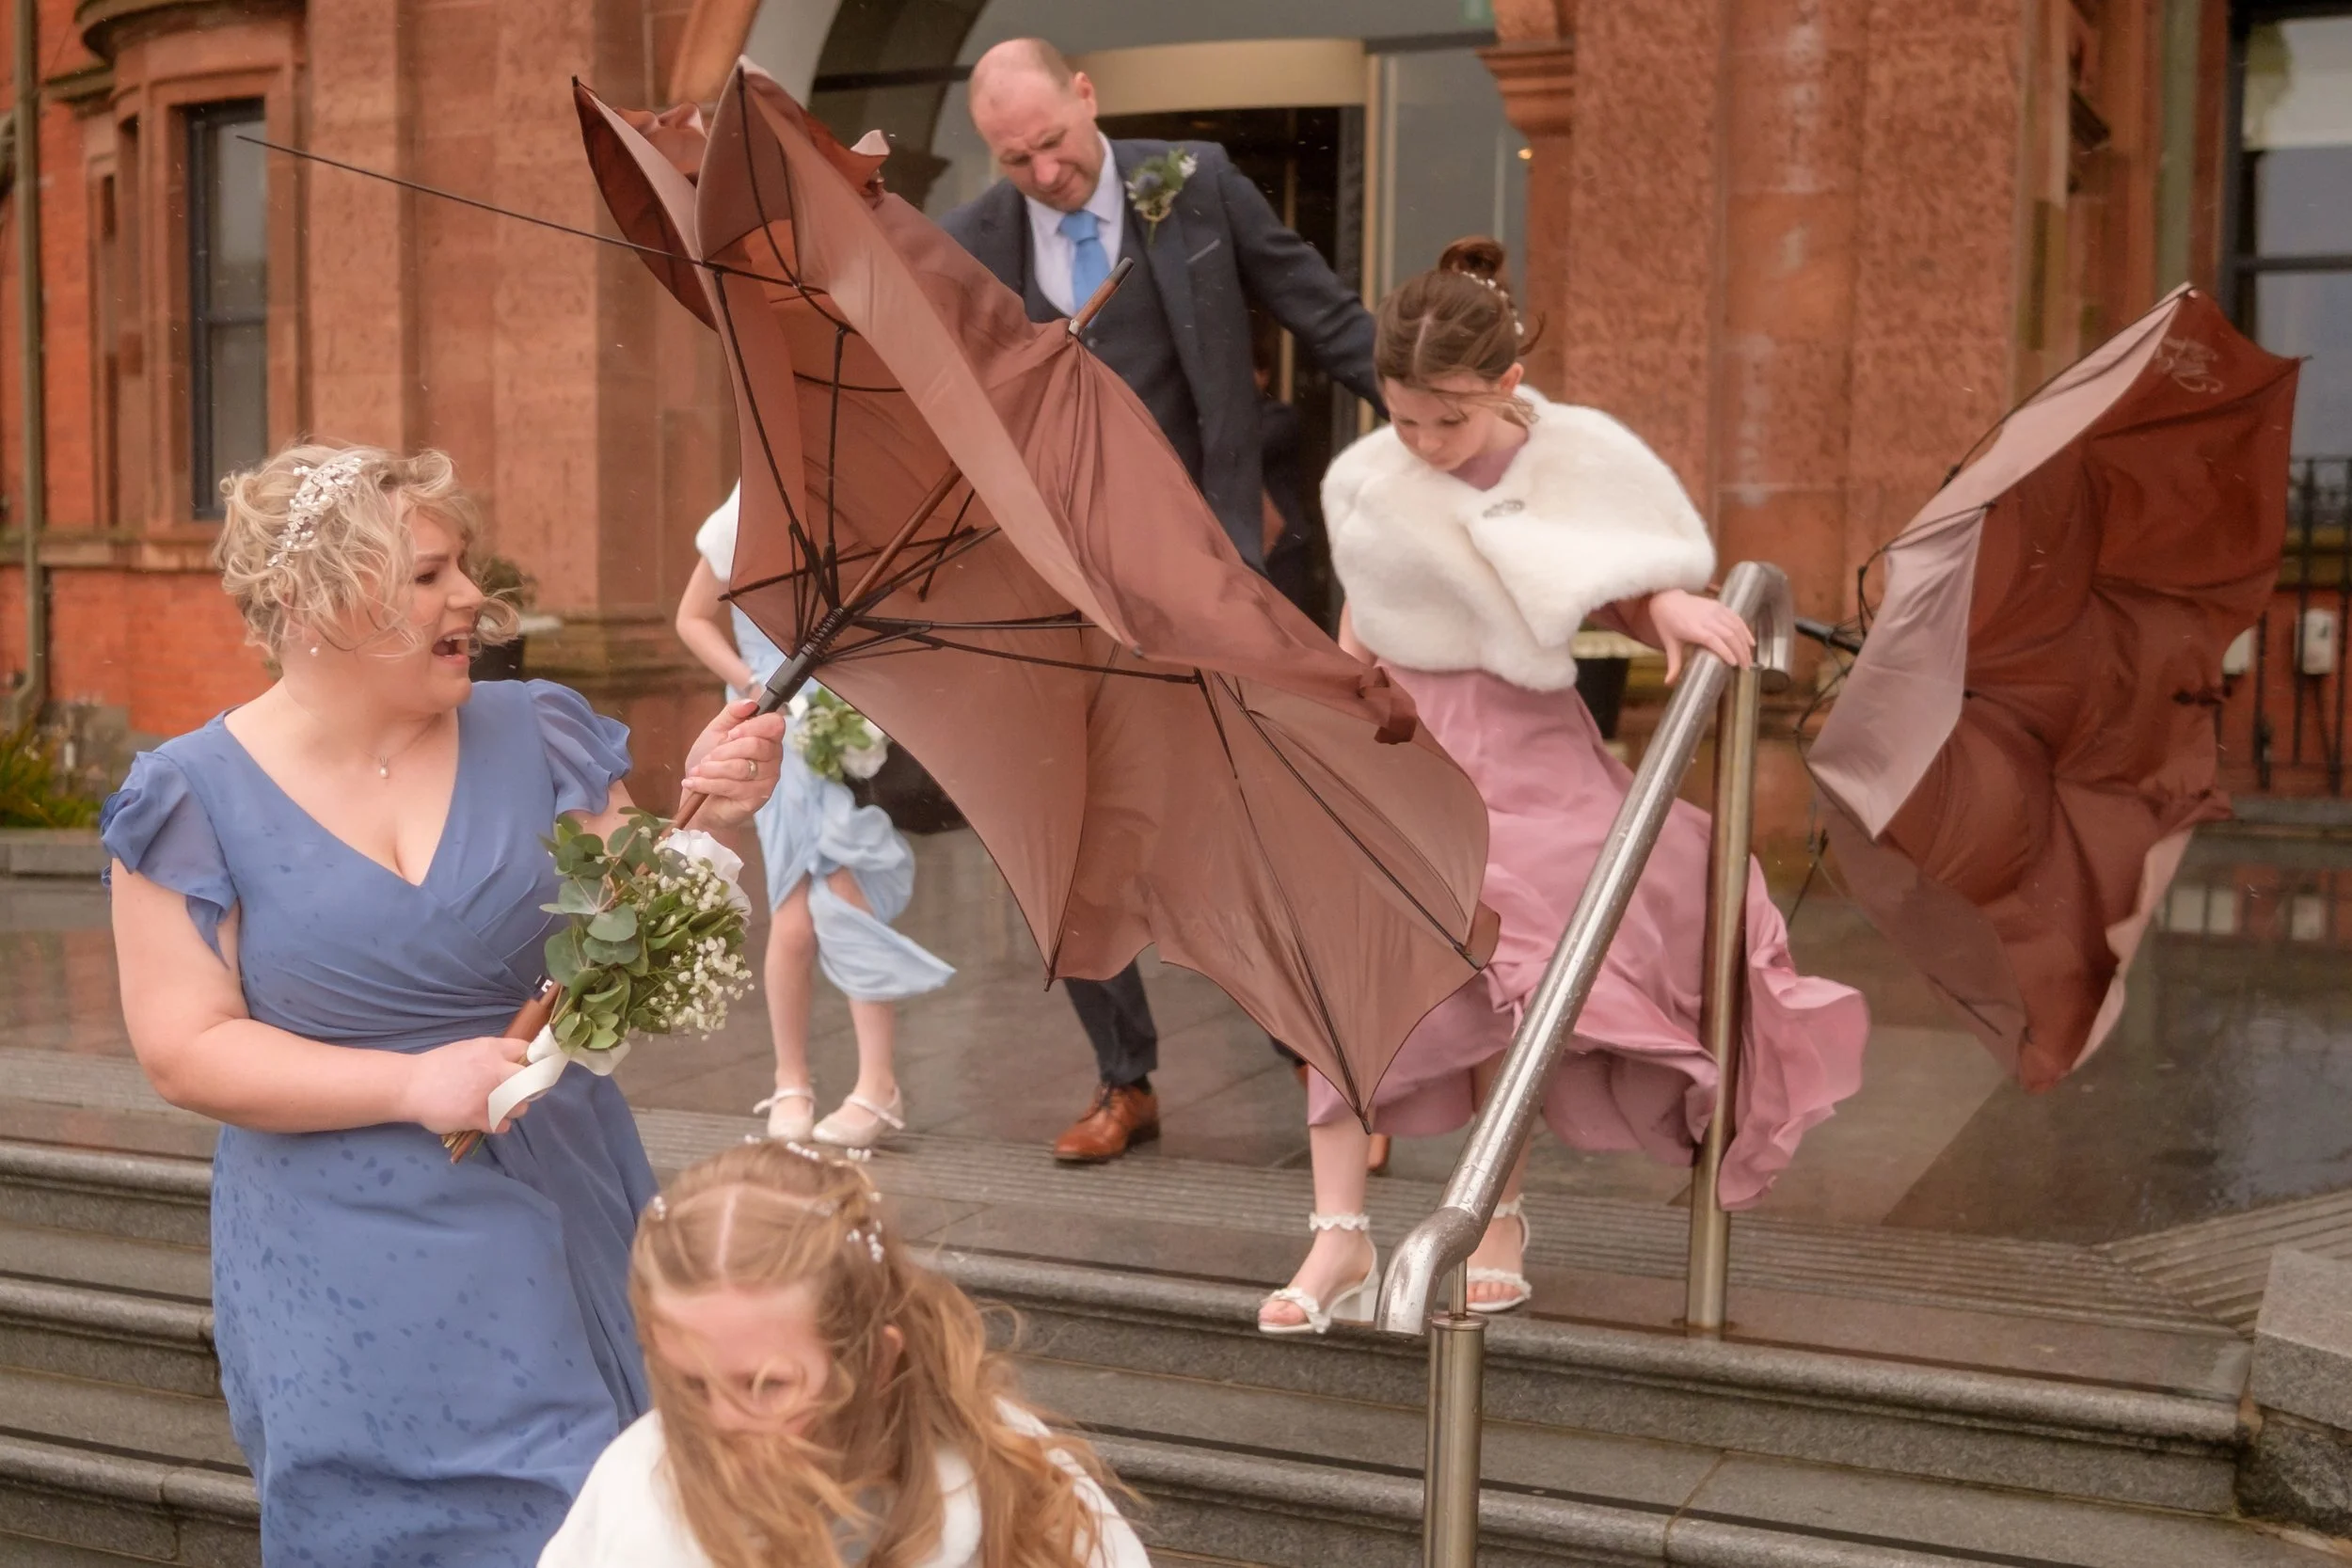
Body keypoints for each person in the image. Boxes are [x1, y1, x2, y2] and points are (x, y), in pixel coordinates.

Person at [101, 443, 787, 1563]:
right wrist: (411, 1080)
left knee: (594, 1514)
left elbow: (626, 943)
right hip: (334, 1255)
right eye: (428, 574)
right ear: (311, 601)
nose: (471, 595)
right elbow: (185, 1048)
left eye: (461, 566)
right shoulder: (189, 797)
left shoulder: (539, 728)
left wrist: (706, 817)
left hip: (552, 1212)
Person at [1256, 241, 1872, 1333]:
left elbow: (1615, 578)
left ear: (1503, 386)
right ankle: (1337, 1234)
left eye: (1447, 419)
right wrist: (1338, 699)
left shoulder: (1573, 460)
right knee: (1339, 973)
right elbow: (1363, 611)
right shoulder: (1370, 476)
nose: (1425, 443)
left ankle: (1496, 1210)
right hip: (1400, 743)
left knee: (1517, 974)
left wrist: (1667, 605)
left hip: (1524, 755)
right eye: (1403, 419)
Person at [942, 37, 1383, 1164]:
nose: (1044, 175)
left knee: (1248, 818)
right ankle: (1123, 1077)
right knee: (1077, 827)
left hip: (1207, 567)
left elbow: (1323, 317)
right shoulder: (970, 249)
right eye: (1014, 159)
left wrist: (1449, 406)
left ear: (1088, 96)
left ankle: (1322, 1064)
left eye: (1052, 143)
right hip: (1060, 584)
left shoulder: (1195, 183)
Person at [538, 1139, 1151, 1568]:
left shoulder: (1007, 1486)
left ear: (875, 1362)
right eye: (690, 1385)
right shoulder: (636, 1493)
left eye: (765, 1385)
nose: (721, 1422)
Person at [675, 484, 955, 1148]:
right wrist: (748, 681)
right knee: (793, 917)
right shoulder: (736, 520)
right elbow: (691, 617)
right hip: (769, 727)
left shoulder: (850, 515)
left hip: (836, 725)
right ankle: (793, 1077)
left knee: (843, 893)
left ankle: (876, 1083)